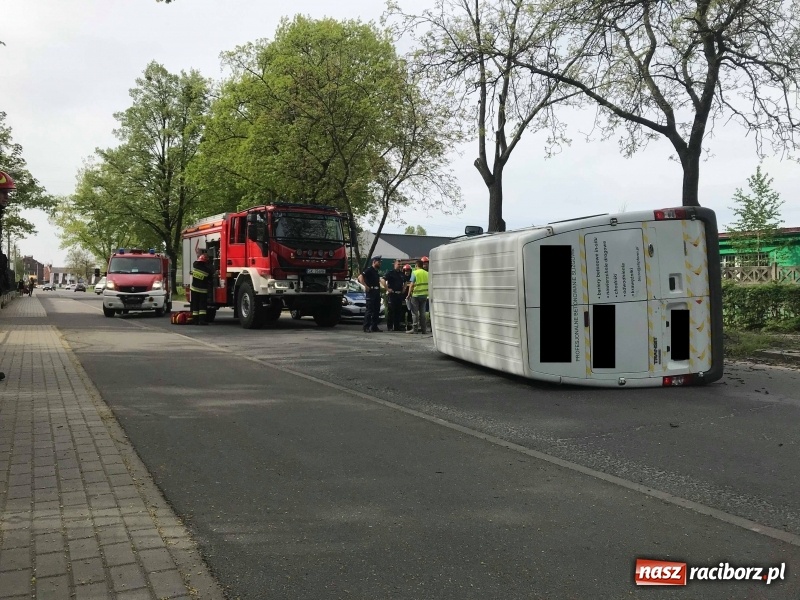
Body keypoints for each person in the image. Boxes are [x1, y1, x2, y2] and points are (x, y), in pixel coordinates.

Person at [358, 255, 384, 332]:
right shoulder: (369, 270)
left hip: (376, 292)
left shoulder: (376, 272)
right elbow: (360, 277)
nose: (380, 264)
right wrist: (365, 286)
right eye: (378, 262)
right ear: (374, 262)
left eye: (380, 262)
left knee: (376, 310)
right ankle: (366, 327)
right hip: (371, 292)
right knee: (369, 310)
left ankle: (374, 327)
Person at [189, 249, 213, 325]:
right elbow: (210, 280)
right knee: (202, 306)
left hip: (194, 289)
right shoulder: (207, 271)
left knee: (194, 305)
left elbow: (192, 273)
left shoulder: (195, 268)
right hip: (202, 291)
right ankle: (202, 321)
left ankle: (195, 320)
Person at [406, 258, 429, 334]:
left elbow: (411, 284)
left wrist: (409, 295)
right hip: (424, 295)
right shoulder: (427, 273)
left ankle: (415, 329)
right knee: (422, 313)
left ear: (416, 265)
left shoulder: (415, 273)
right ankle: (424, 330)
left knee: (415, 313)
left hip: (415, 295)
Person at [382, 259, 405, 332]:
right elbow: (382, 280)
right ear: (394, 265)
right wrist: (387, 289)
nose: (400, 266)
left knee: (398, 311)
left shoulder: (401, 274)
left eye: (401, 265)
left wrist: (404, 289)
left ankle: (397, 327)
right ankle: (390, 327)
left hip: (399, 295)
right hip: (392, 294)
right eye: (398, 264)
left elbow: (406, 281)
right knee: (391, 311)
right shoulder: (390, 273)